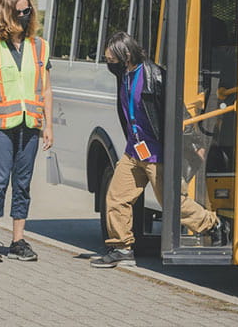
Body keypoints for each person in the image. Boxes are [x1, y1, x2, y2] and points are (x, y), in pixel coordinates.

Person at [90, 32, 229, 269]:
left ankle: (212, 225)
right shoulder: (123, 75)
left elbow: (178, 112)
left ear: (126, 55)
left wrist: (194, 143)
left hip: (157, 153)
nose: (109, 65)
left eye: (111, 59)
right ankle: (121, 246)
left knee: (173, 202)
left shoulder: (155, 76)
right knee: (115, 197)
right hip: (134, 151)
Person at [0, 0, 53, 262]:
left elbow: (46, 90)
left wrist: (48, 126)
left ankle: (18, 241)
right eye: (18, 11)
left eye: (27, 11)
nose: (24, 16)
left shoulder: (40, 46)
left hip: (30, 124)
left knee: (23, 183)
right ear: (6, 13)